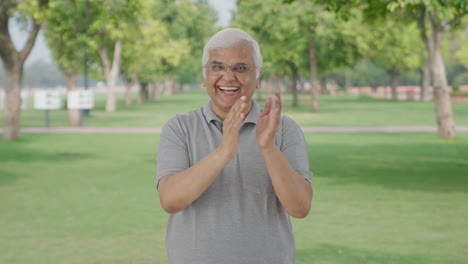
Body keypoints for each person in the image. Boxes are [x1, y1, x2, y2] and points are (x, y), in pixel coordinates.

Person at [156, 28, 313, 264]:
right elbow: (170, 200)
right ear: (205, 76)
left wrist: (268, 147)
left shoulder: (285, 129)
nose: (228, 77)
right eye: (217, 67)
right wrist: (224, 151)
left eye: (240, 68)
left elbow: (300, 207)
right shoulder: (179, 128)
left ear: (257, 77)